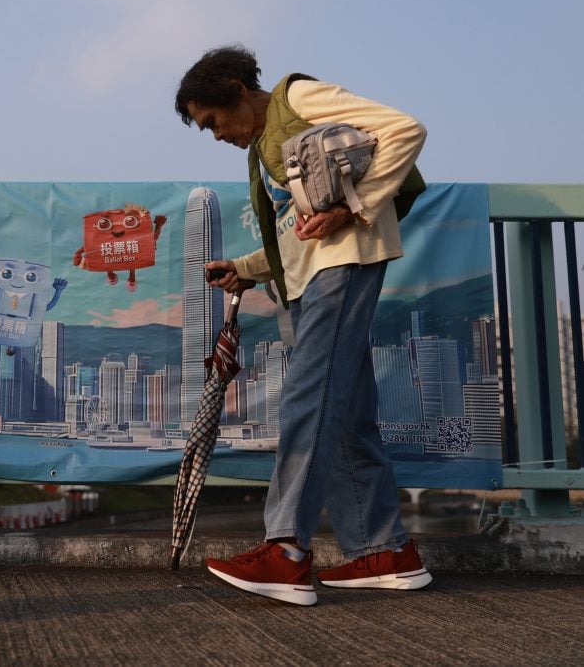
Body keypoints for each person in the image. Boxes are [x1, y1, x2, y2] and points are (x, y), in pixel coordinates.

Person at [175, 44, 431, 606]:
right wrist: (245, 269)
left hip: (342, 268)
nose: (215, 135)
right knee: (345, 415)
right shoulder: (263, 151)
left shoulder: (297, 96)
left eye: (212, 121)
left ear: (238, 91)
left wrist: (356, 205)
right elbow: (299, 228)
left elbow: (406, 130)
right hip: (315, 275)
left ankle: (286, 551)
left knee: (308, 399)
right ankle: (385, 551)